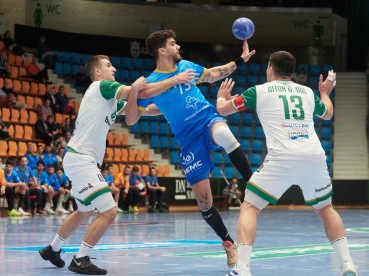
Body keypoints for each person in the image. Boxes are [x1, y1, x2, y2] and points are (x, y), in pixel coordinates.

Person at [39, 54, 196, 274]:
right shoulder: (101, 86)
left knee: (84, 210)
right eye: (108, 65)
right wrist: (173, 80)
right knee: (110, 211)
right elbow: (139, 90)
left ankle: (52, 249)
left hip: (81, 159)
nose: (113, 69)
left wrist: (173, 106)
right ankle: (81, 258)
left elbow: (144, 108)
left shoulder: (110, 100)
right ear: (97, 72)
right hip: (81, 158)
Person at [216, 51, 357, 276]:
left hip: (282, 157)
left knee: (250, 207)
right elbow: (328, 113)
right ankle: (347, 264)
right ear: (291, 72)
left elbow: (223, 110)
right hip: (314, 156)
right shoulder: (307, 92)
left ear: (270, 69)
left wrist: (222, 97)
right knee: (326, 208)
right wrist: (324, 92)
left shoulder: (259, 91)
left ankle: (242, 269)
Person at [129, 29, 255, 267]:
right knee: (204, 202)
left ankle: (254, 183)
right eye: (174, 44)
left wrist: (240, 60)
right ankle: (228, 243)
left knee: (224, 134)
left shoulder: (185, 65)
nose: (179, 47)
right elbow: (135, 115)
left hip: (206, 118)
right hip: (188, 139)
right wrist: (147, 103)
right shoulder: (150, 83)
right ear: (162, 50)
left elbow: (214, 74)